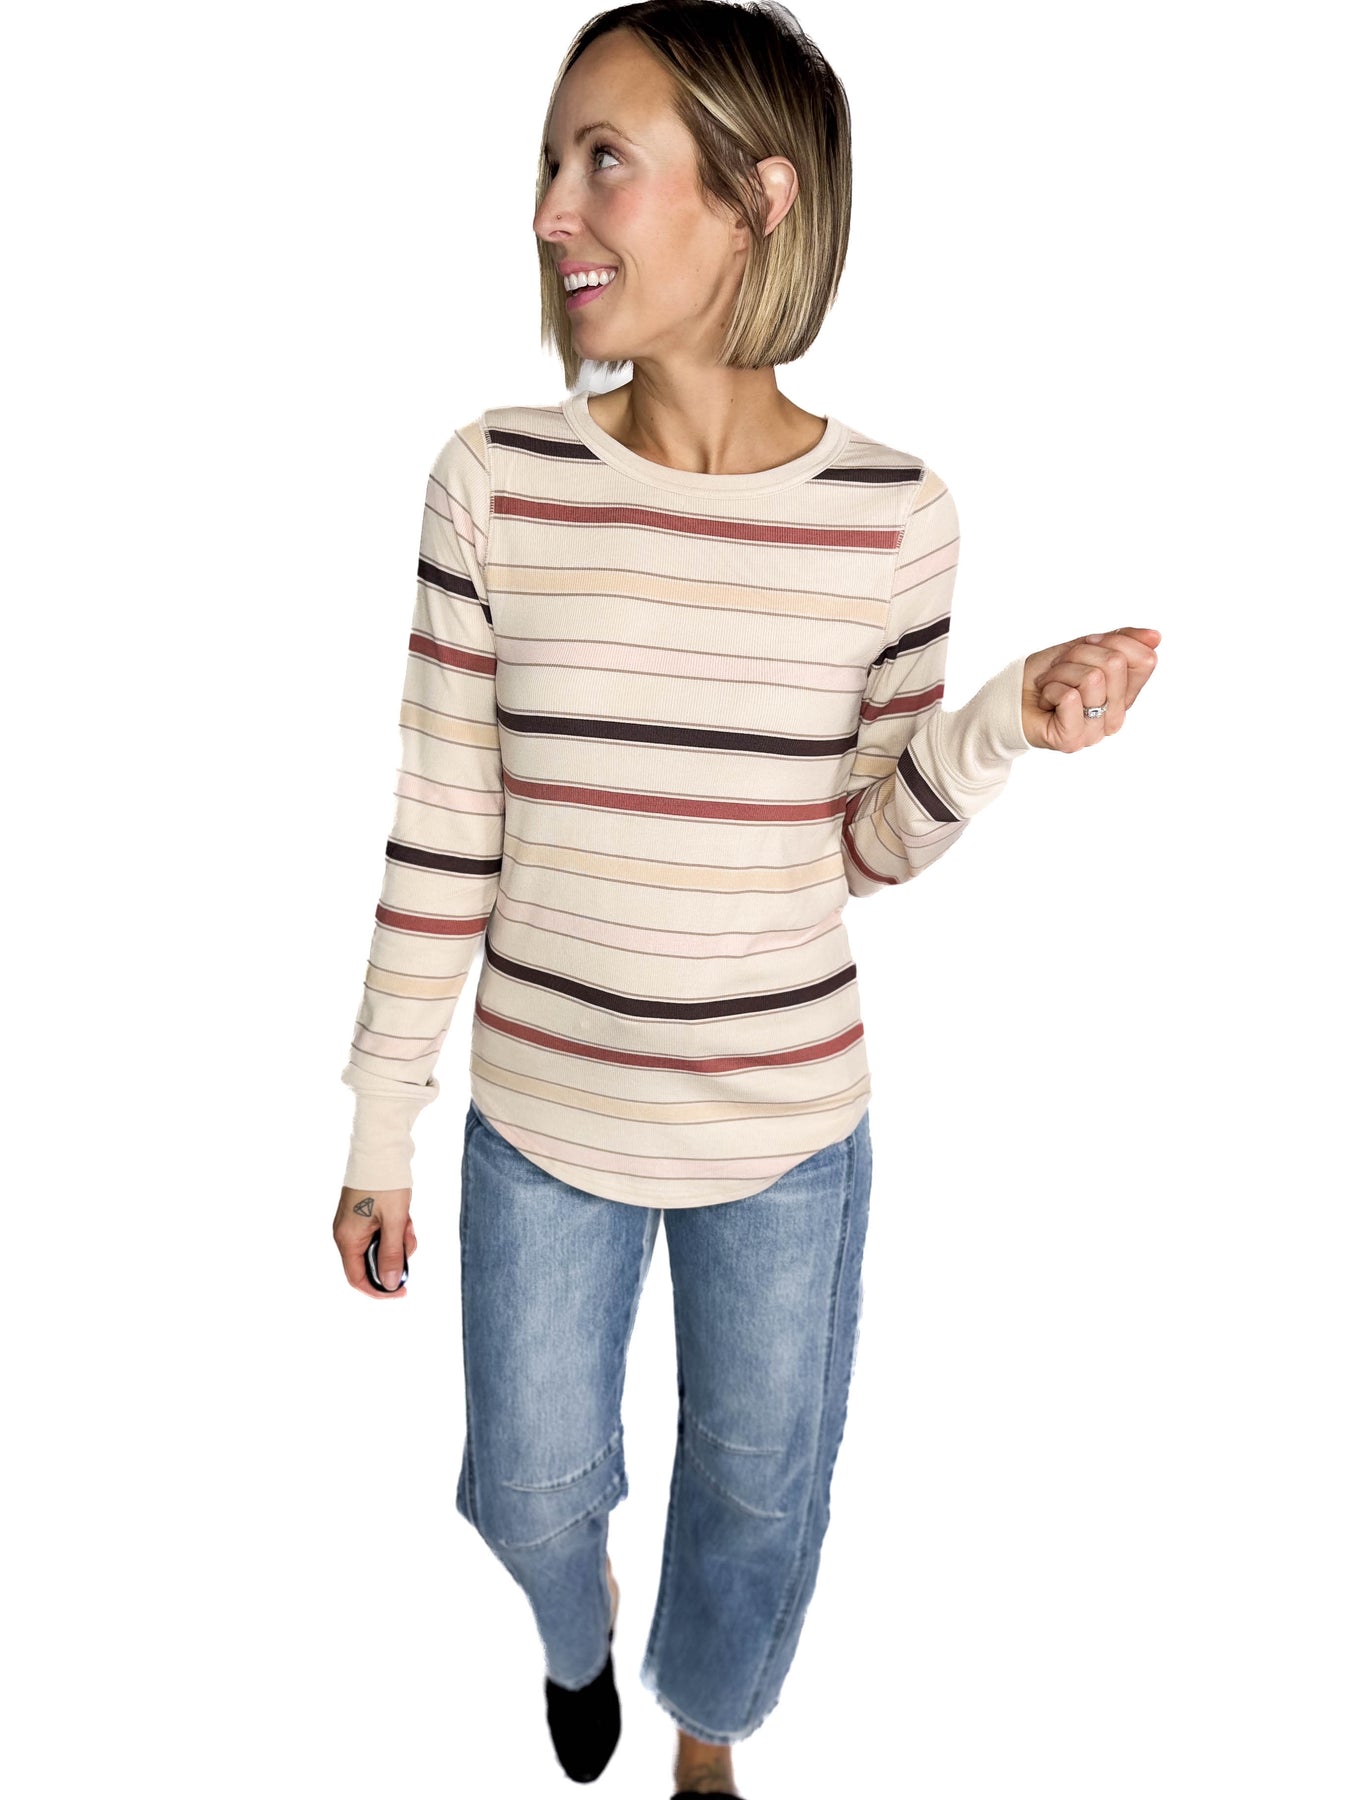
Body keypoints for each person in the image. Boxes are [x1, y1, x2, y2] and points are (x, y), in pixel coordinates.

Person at [331, 4, 1161, 1794]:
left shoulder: (893, 514)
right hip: (541, 1122)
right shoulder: (496, 482)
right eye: (548, 163)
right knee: (526, 1490)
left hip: (785, 1129)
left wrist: (1001, 722)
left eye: (602, 162)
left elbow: (860, 846)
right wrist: (380, 1124)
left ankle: (706, 1746)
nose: (550, 210)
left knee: (757, 1494)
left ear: (755, 202)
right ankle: (575, 1631)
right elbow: (442, 823)